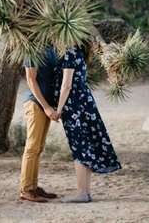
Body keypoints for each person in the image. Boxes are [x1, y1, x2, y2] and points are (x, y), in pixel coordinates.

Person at [56, 45, 122, 203]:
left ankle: (82, 193)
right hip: (84, 102)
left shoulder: (69, 53)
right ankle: (84, 192)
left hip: (75, 105)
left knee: (79, 145)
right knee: (84, 145)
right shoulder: (78, 51)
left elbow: (67, 85)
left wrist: (58, 109)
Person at [19, 45, 60, 202]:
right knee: (32, 147)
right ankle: (26, 190)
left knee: (38, 148)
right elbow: (30, 79)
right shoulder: (32, 49)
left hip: (46, 105)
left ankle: (33, 187)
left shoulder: (54, 48)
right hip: (36, 103)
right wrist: (46, 107)